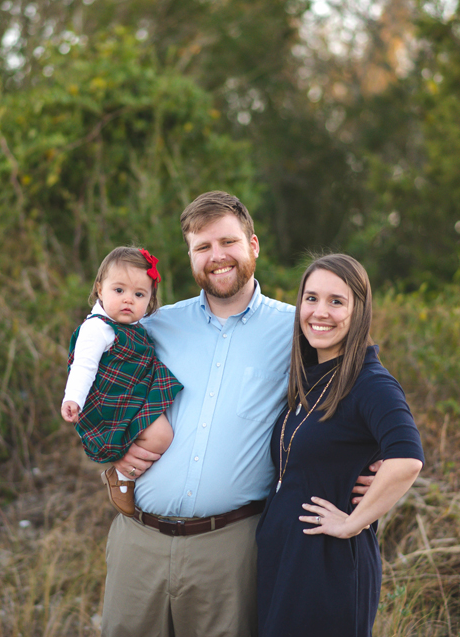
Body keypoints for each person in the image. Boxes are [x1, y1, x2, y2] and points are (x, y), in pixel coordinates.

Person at [100, 191, 296, 637]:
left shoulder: (294, 329)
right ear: (190, 256)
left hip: (230, 548)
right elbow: (97, 388)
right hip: (139, 541)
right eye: (202, 247)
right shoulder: (154, 327)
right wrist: (110, 451)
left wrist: (374, 453)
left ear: (254, 245)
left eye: (227, 242)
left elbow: (350, 392)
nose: (217, 257)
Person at [255, 253, 424, 637]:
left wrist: (352, 522)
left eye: (336, 301)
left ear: (359, 311)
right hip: (285, 561)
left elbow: (407, 459)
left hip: (327, 567)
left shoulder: (371, 383)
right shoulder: (311, 376)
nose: (320, 312)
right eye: (311, 298)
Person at [61, 246, 183, 516]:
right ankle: (123, 477)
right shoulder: (96, 328)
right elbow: (83, 366)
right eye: (119, 290)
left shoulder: (136, 327)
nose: (128, 299)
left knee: (164, 434)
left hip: (134, 393)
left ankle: (135, 476)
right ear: (99, 289)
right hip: (113, 401)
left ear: (150, 301)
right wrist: (73, 399)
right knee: (162, 436)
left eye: (139, 294)